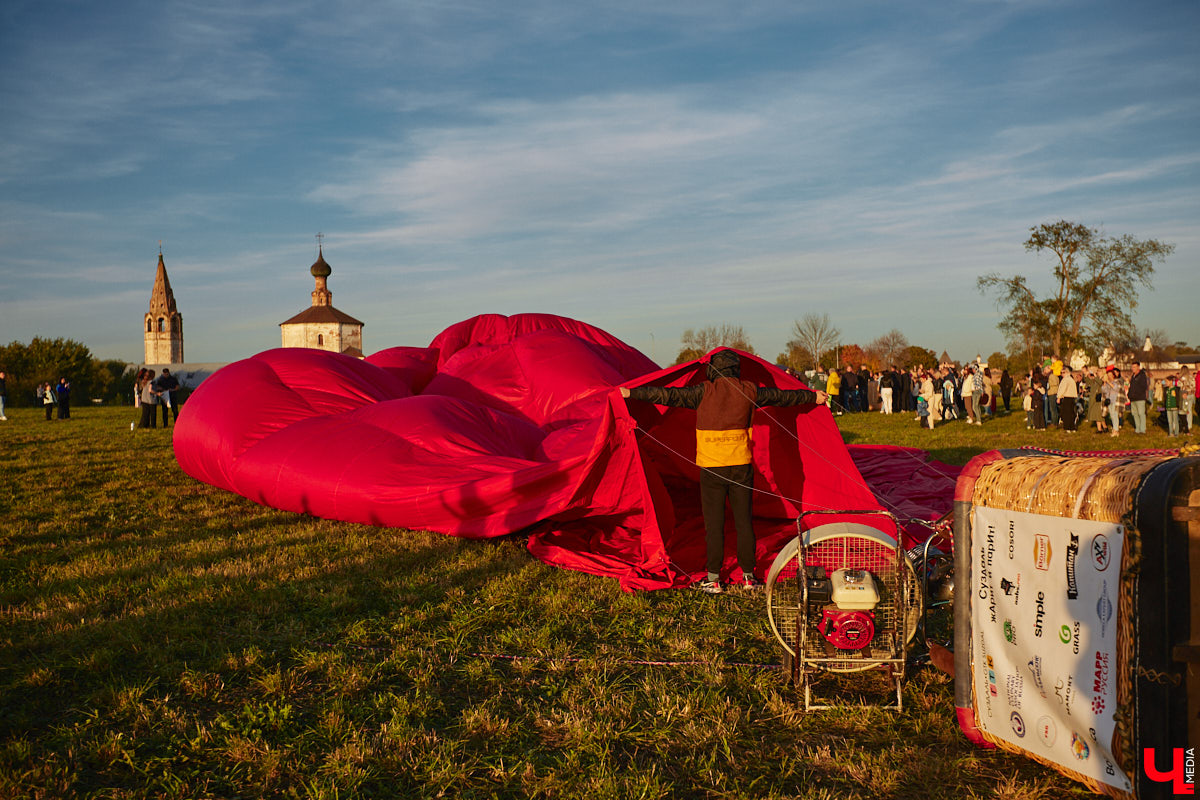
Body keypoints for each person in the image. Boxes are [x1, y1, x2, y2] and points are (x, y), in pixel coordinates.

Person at [620, 350, 826, 594]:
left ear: (712, 370)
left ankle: (714, 578)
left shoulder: (703, 391)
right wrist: (813, 397)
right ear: (736, 369)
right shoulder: (749, 390)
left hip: (712, 469)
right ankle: (749, 576)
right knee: (743, 522)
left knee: (714, 524)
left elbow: (668, 395)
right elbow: (782, 397)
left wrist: (631, 393)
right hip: (741, 467)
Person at [1128, 361, 1149, 434]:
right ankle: (1137, 428)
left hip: (1140, 398)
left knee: (1141, 413)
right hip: (1133, 398)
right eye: (1132, 367)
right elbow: (1131, 387)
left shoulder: (1142, 375)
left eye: (1134, 367)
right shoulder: (1133, 376)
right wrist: (1129, 394)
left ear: (1138, 367)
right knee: (1135, 414)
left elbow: (1144, 387)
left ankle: (1143, 429)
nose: (1132, 368)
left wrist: (1136, 393)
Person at [1084, 367, 1105, 433]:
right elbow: (1089, 382)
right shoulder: (1095, 379)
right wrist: (1086, 375)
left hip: (1098, 398)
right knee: (1097, 415)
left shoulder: (1103, 378)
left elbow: (1100, 383)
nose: (1097, 373)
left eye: (1098, 371)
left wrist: (1095, 376)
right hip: (1093, 398)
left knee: (1098, 414)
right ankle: (1104, 427)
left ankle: (1100, 429)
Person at [1182, 366, 1195, 434]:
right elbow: (1194, 386)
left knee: (1185, 410)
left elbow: (1180, 387)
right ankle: (1190, 425)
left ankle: (1185, 424)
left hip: (1185, 395)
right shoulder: (1191, 377)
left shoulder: (1182, 378)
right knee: (1190, 410)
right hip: (1191, 395)